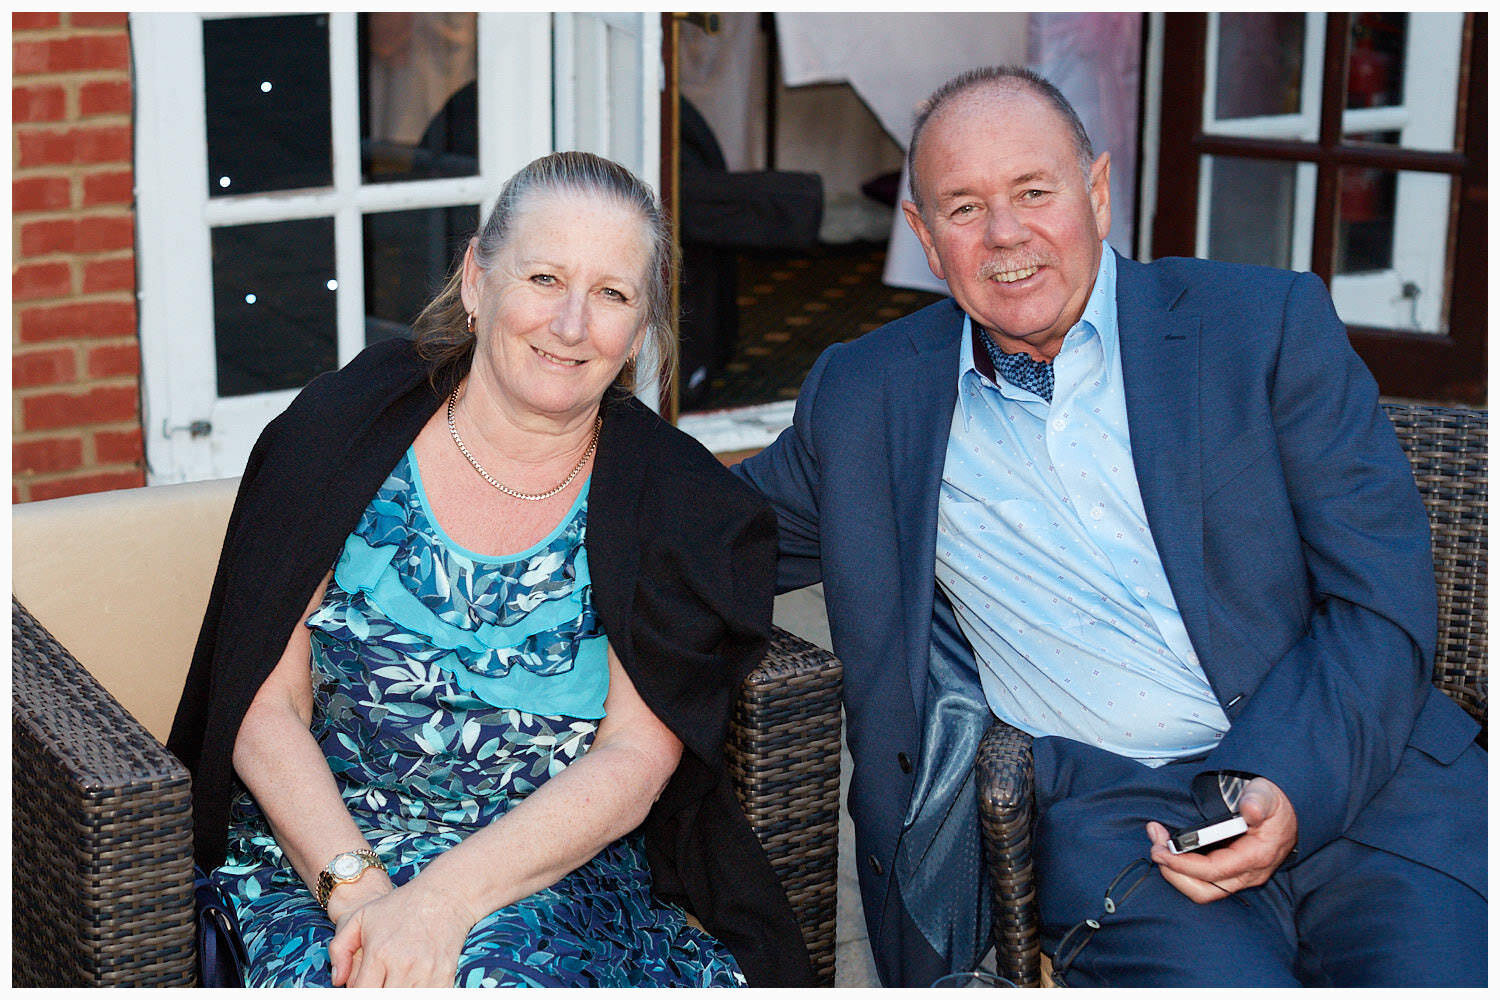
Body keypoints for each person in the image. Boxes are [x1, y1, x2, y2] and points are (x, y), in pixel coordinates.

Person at [735, 66, 1485, 987]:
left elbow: (1381, 596)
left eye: (1033, 192)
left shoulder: (1261, 326)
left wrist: (1290, 778)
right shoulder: (870, 398)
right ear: (926, 239)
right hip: (1125, 828)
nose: (1005, 235)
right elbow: (708, 533)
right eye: (965, 208)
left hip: (1361, 777)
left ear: (1096, 193)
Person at [168, 151, 811, 988]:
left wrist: (441, 905)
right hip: (321, 853)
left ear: (641, 327)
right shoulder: (340, 430)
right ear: (477, 279)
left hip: (547, 873)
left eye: (612, 294)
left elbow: (633, 759)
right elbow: (260, 699)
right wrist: (363, 898)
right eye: (544, 278)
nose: (571, 325)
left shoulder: (682, 504)